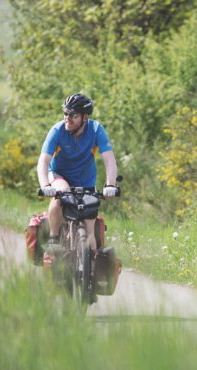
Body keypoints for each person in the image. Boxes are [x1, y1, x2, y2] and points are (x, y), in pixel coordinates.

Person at [37, 93, 118, 266]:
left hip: (86, 181)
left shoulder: (96, 130)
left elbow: (109, 160)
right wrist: (45, 185)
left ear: (84, 117)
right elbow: (43, 161)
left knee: (90, 233)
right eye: (66, 114)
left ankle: (91, 273)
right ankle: (53, 238)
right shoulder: (57, 131)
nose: (68, 119)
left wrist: (110, 184)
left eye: (73, 115)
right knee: (61, 193)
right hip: (59, 175)